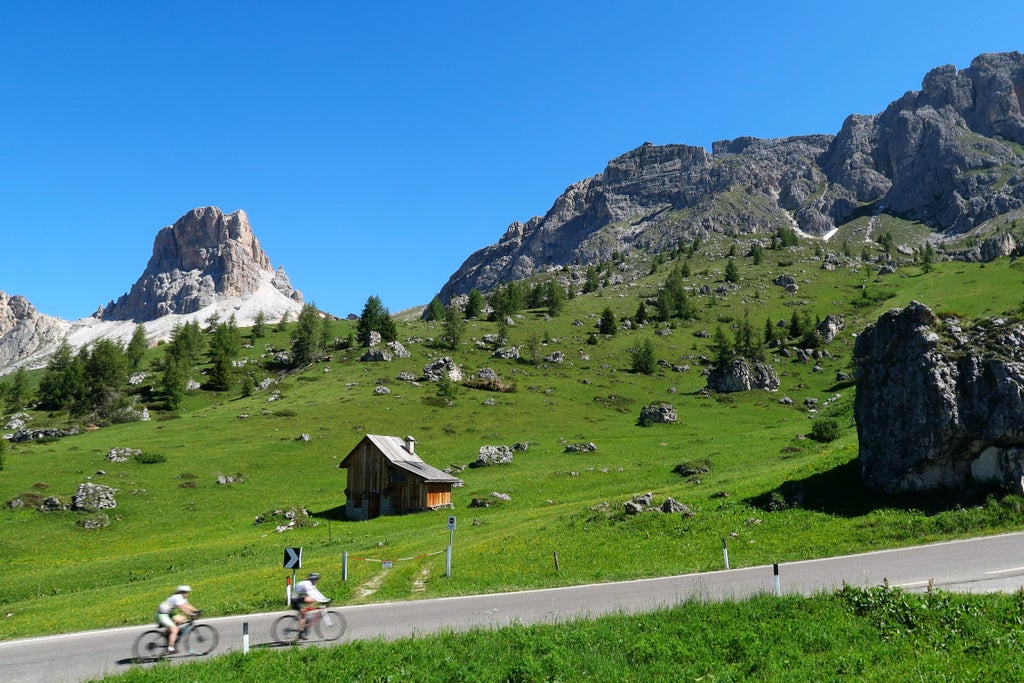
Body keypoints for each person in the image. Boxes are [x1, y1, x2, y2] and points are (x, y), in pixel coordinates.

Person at [156, 585, 198, 653]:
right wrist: (191, 614)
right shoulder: (177, 597)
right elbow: (181, 607)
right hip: (162, 614)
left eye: (187, 592)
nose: (187, 594)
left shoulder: (182, 597)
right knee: (175, 629)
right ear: (182, 592)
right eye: (186, 592)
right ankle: (170, 648)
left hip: (168, 613)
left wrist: (196, 611)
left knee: (183, 619)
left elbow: (187, 605)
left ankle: (169, 634)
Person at [290, 572, 330, 638]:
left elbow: (317, 593)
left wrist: (325, 599)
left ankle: (305, 618)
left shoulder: (311, 584)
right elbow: (312, 594)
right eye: (317, 579)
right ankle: (300, 633)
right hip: (294, 599)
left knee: (311, 601)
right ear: (313, 579)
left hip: (298, 598)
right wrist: (323, 601)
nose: (317, 581)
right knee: (304, 612)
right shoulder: (307, 584)